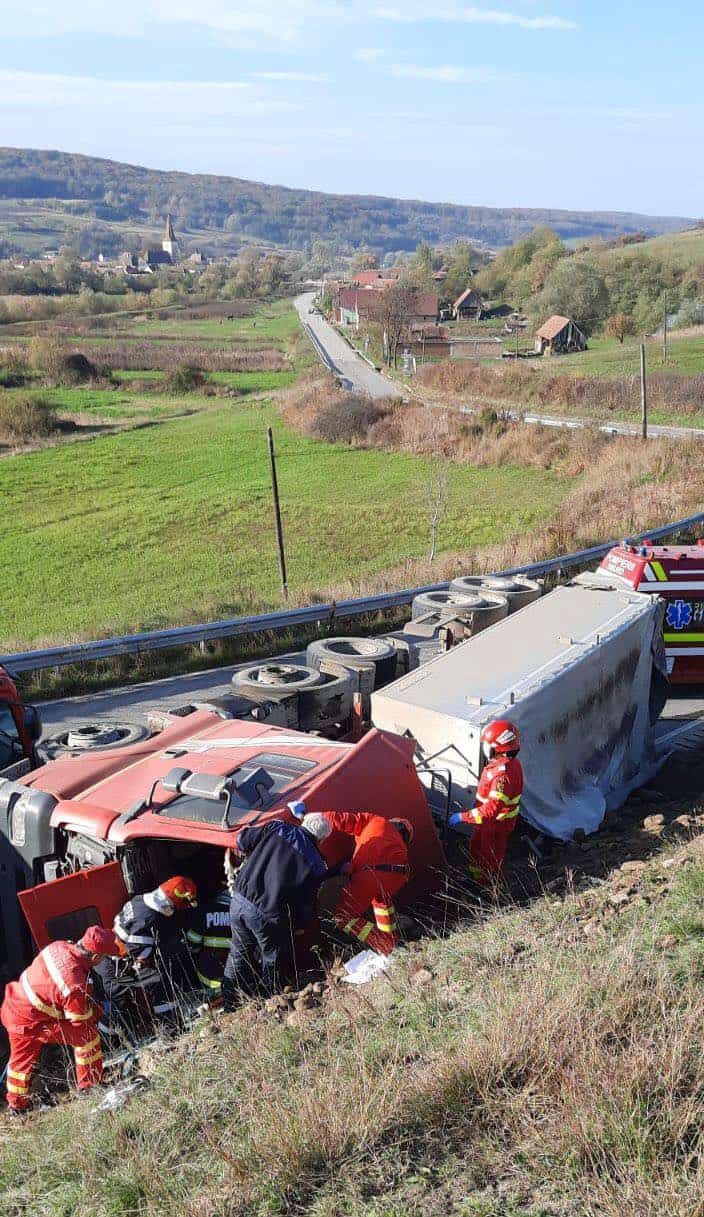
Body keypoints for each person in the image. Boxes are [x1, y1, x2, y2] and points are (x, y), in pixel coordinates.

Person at [0, 926, 123, 1115]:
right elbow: (80, 1022)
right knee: (87, 1036)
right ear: (96, 956)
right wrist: (97, 1011)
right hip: (31, 1022)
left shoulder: (59, 946)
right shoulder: (74, 983)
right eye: (105, 956)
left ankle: (17, 1107)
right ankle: (90, 1086)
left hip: (14, 1003)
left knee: (20, 1063)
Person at [221, 814, 330, 1010]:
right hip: (267, 915)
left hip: (239, 900)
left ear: (303, 823)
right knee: (272, 957)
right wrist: (298, 927)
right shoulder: (317, 864)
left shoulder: (277, 828)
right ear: (322, 839)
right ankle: (268, 1003)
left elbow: (242, 840)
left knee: (238, 952)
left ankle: (230, 1003)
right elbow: (306, 903)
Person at [295, 806, 413, 956]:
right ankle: (393, 939)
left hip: (371, 874)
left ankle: (384, 944)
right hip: (398, 876)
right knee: (382, 905)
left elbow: (342, 819)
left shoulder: (377, 821)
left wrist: (312, 817)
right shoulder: (399, 844)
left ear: (395, 822)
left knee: (343, 918)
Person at [96, 876, 198, 1018]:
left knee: (119, 1010)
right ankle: (172, 1026)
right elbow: (138, 951)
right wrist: (146, 961)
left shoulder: (139, 900)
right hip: (118, 965)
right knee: (160, 982)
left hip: (107, 959)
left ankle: (112, 1036)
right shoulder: (150, 918)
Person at [449, 720, 523, 888]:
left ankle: (489, 890)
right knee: (476, 852)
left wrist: (463, 817)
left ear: (497, 747)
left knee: (489, 861)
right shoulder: (505, 766)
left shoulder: (502, 776)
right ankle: (476, 880)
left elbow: (490, 810)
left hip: (495, 827)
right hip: (488, 826)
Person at [185, 889, 231, 996]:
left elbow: (192, 939)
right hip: (234, 969)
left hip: (208, 972)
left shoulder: (206, 911)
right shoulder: (239, 912)